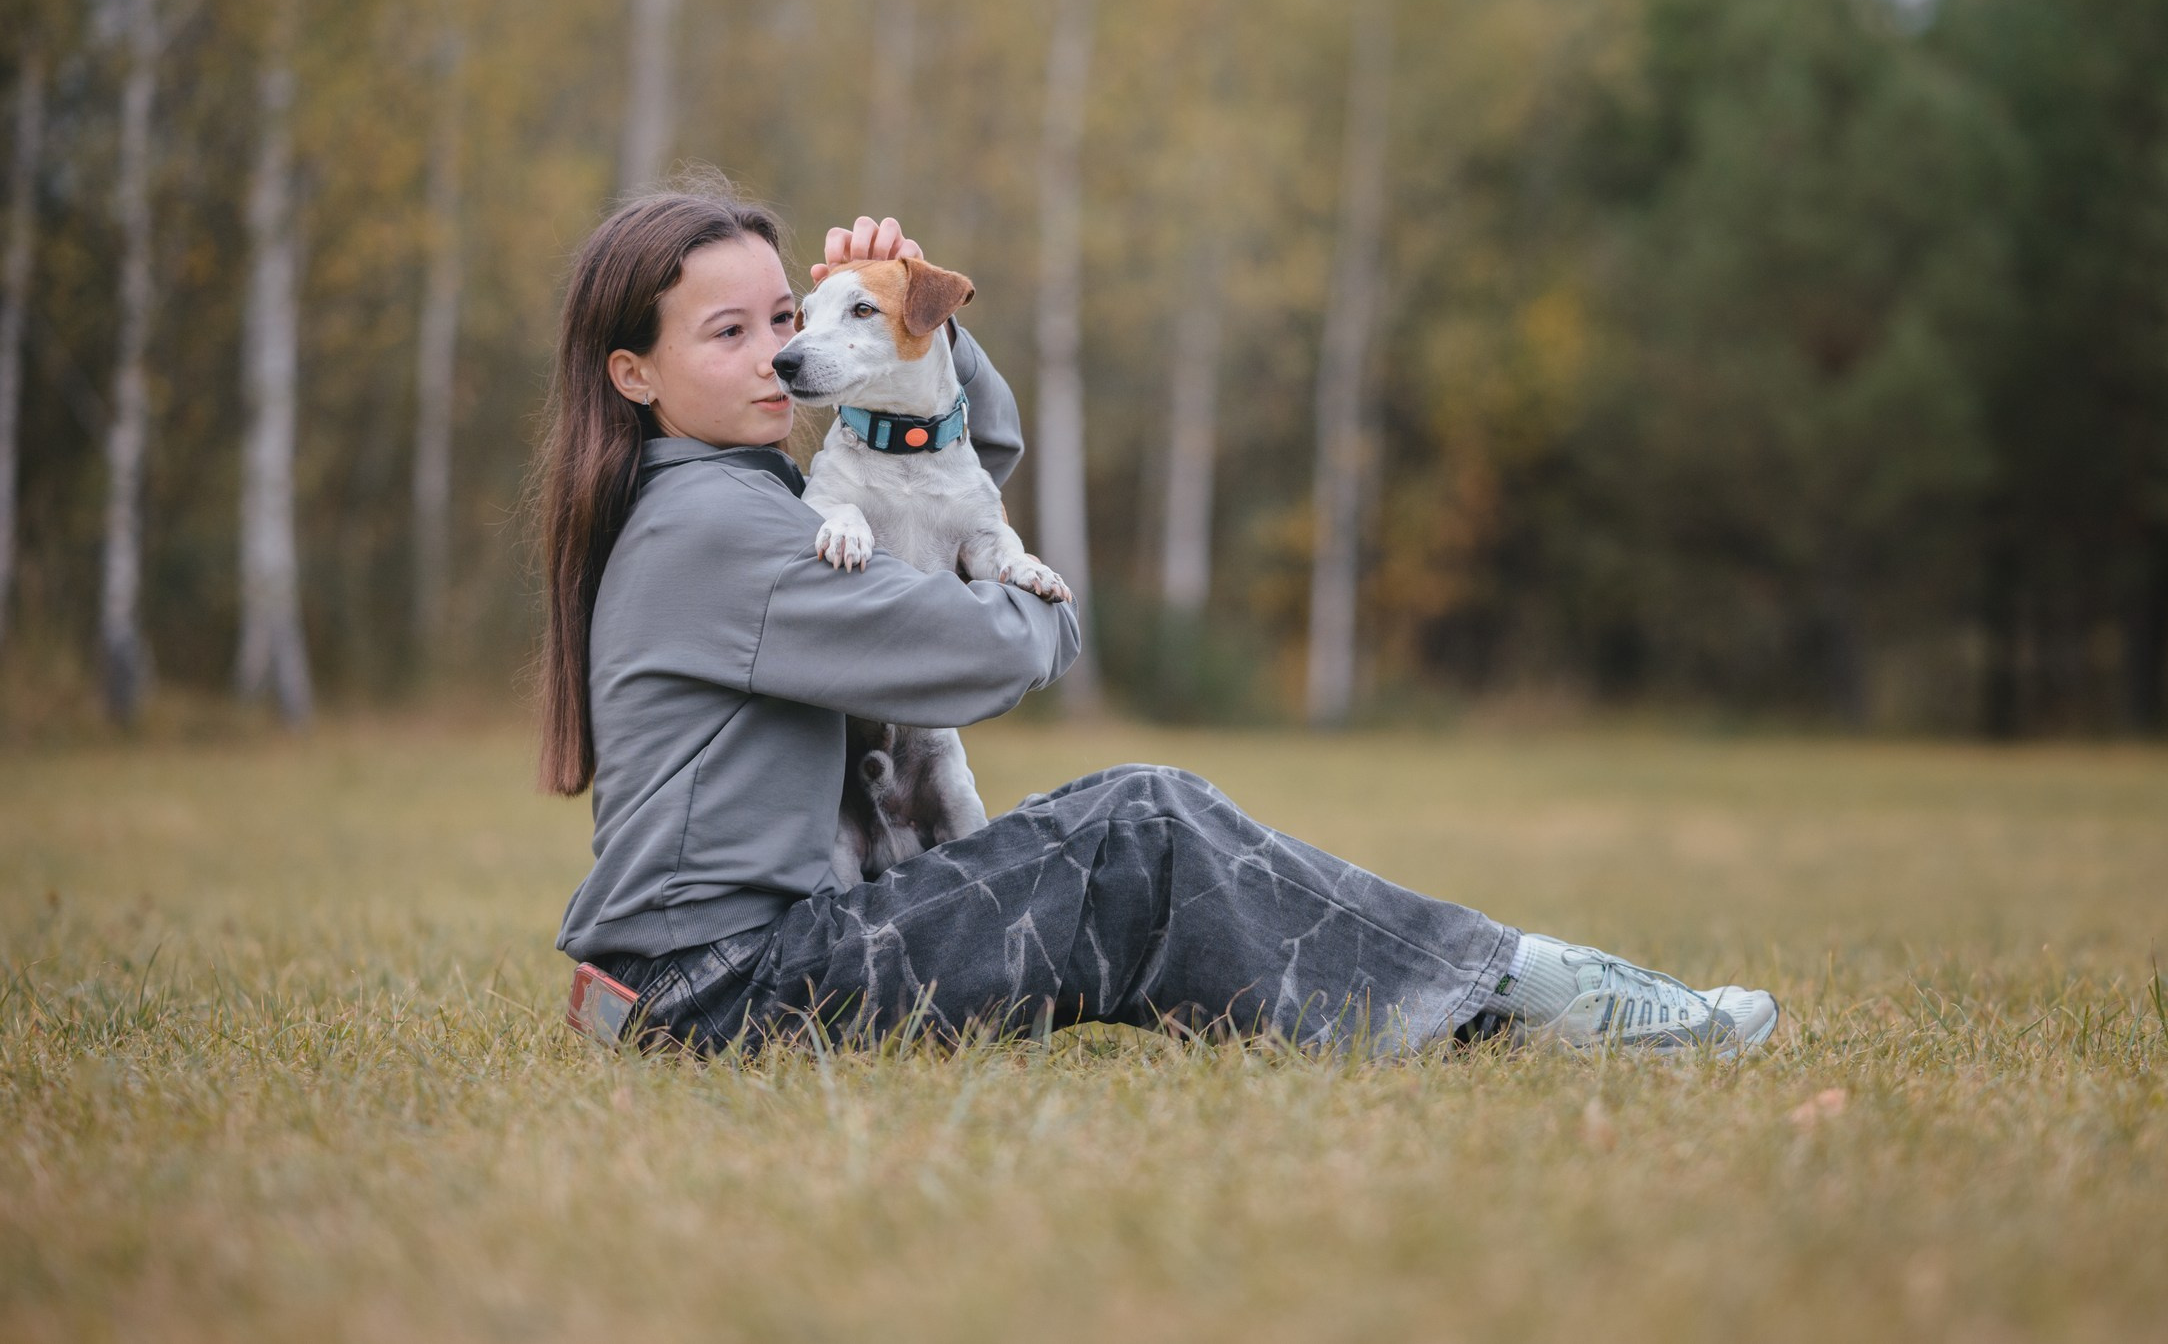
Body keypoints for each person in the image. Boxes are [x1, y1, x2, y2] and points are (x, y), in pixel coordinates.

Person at [544, 178, 1781, 1057]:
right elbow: (988, 651)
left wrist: (912, 316)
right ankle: (1525, 993)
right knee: (1138, 819)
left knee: (1133, 835)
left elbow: (961, 467)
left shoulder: (729, 493)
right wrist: (1034, 609)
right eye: (731, 333)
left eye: (789, 319)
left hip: (705, 977)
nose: (779, 356)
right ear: (633, 374)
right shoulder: (729, 528)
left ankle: (1483, 1000)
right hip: (726, 996)